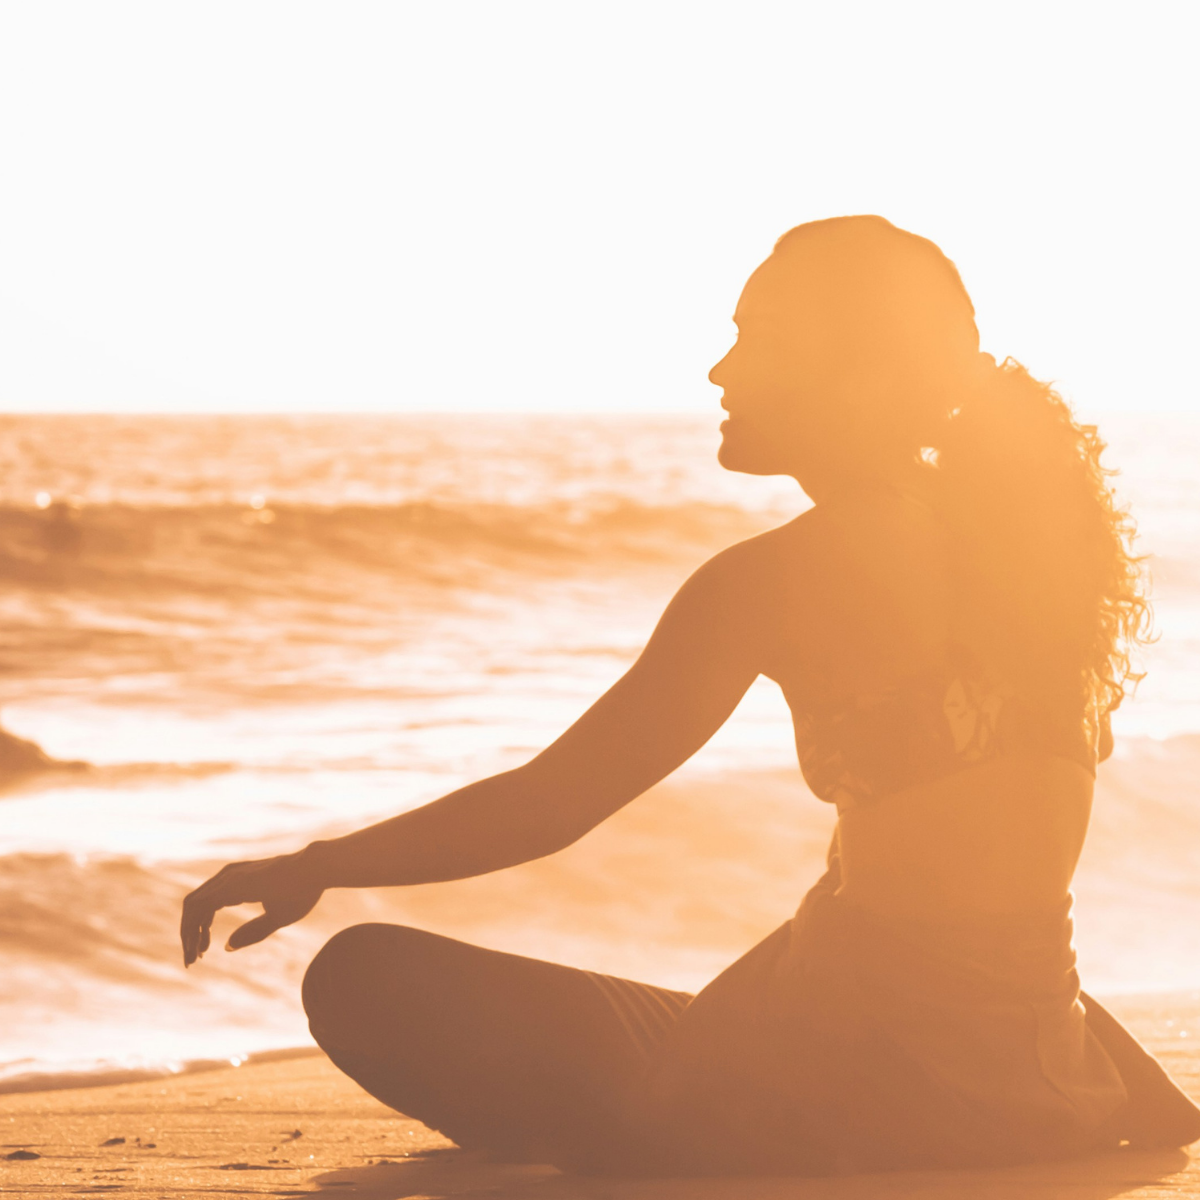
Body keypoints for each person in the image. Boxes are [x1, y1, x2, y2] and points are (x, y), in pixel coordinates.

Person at [180, 216, 1200, 1177]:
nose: (721, 368)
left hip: (866, 1083)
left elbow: (554, 801)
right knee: (675, 1013)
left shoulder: (776, 578)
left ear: (858, 378)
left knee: (362, 979)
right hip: (1042, 1069)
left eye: (757, 339)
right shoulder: (1029, 556)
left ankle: (685, 1128)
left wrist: (322, 865)